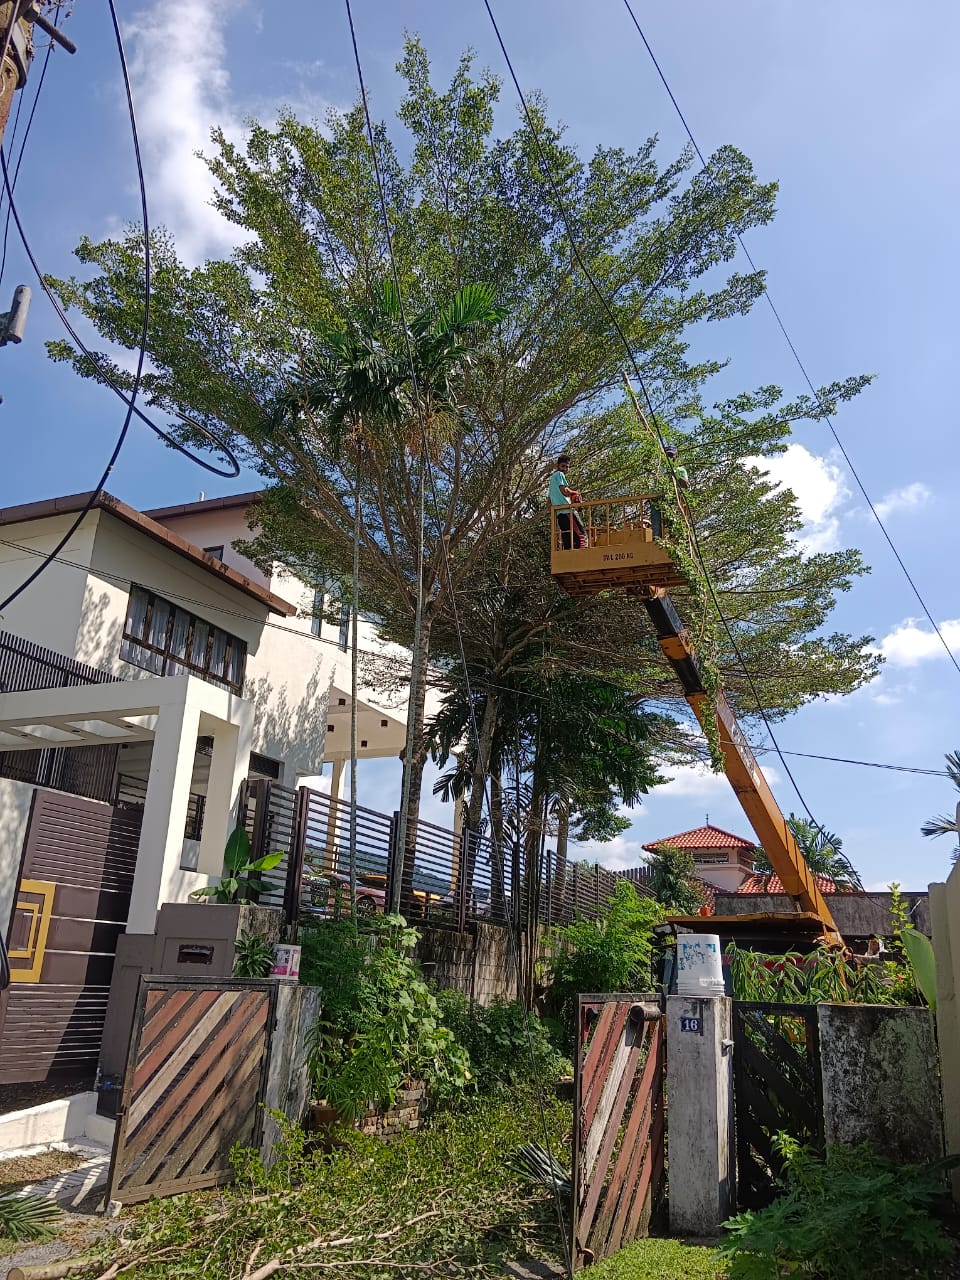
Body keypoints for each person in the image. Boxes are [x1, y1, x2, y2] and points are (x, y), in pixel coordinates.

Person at [650, 443, 689, 538]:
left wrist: (676, 476)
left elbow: (686, 485)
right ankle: (657, 540)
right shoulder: (659, 470)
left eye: (671, 455)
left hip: (673, 500)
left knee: (672, 522)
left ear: (675, 456)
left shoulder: (680, 470)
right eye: (668, 455)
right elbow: (654, 485)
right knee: (656, 524)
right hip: (658, 500)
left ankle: (673, 539)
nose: (670, 458)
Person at [549, 453, 586, 549]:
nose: (565, 469)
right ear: (558, 465)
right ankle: (584, 555)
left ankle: (569, 556)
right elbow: (564, 491)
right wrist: (575, 493)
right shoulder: (559, 474)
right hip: (567, 511)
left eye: (567, 467)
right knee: (581, 535)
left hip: (560, 514)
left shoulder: (552, 479)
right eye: (563, 466)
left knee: (567, 538)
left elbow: (548, 501)